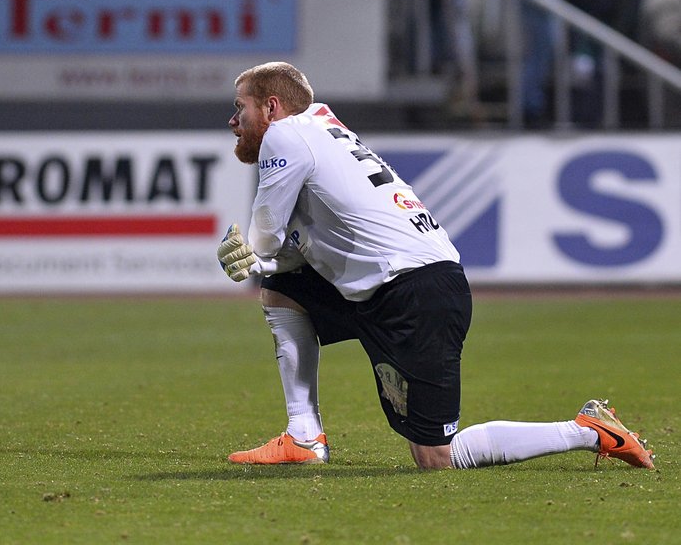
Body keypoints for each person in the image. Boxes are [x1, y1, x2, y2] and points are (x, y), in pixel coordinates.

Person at [216, 61, 655, 470]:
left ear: (272, 107)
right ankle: (304, 437)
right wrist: (265, 260)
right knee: (284, 288)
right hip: (401, 281)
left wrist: (250, 254)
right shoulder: (317, 129)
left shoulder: (285, 134)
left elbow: (266, 236)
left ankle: (585, 431)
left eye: (241, 108)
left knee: (436, 456)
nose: (234, 121)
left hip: (414, 294)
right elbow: (287, 252)